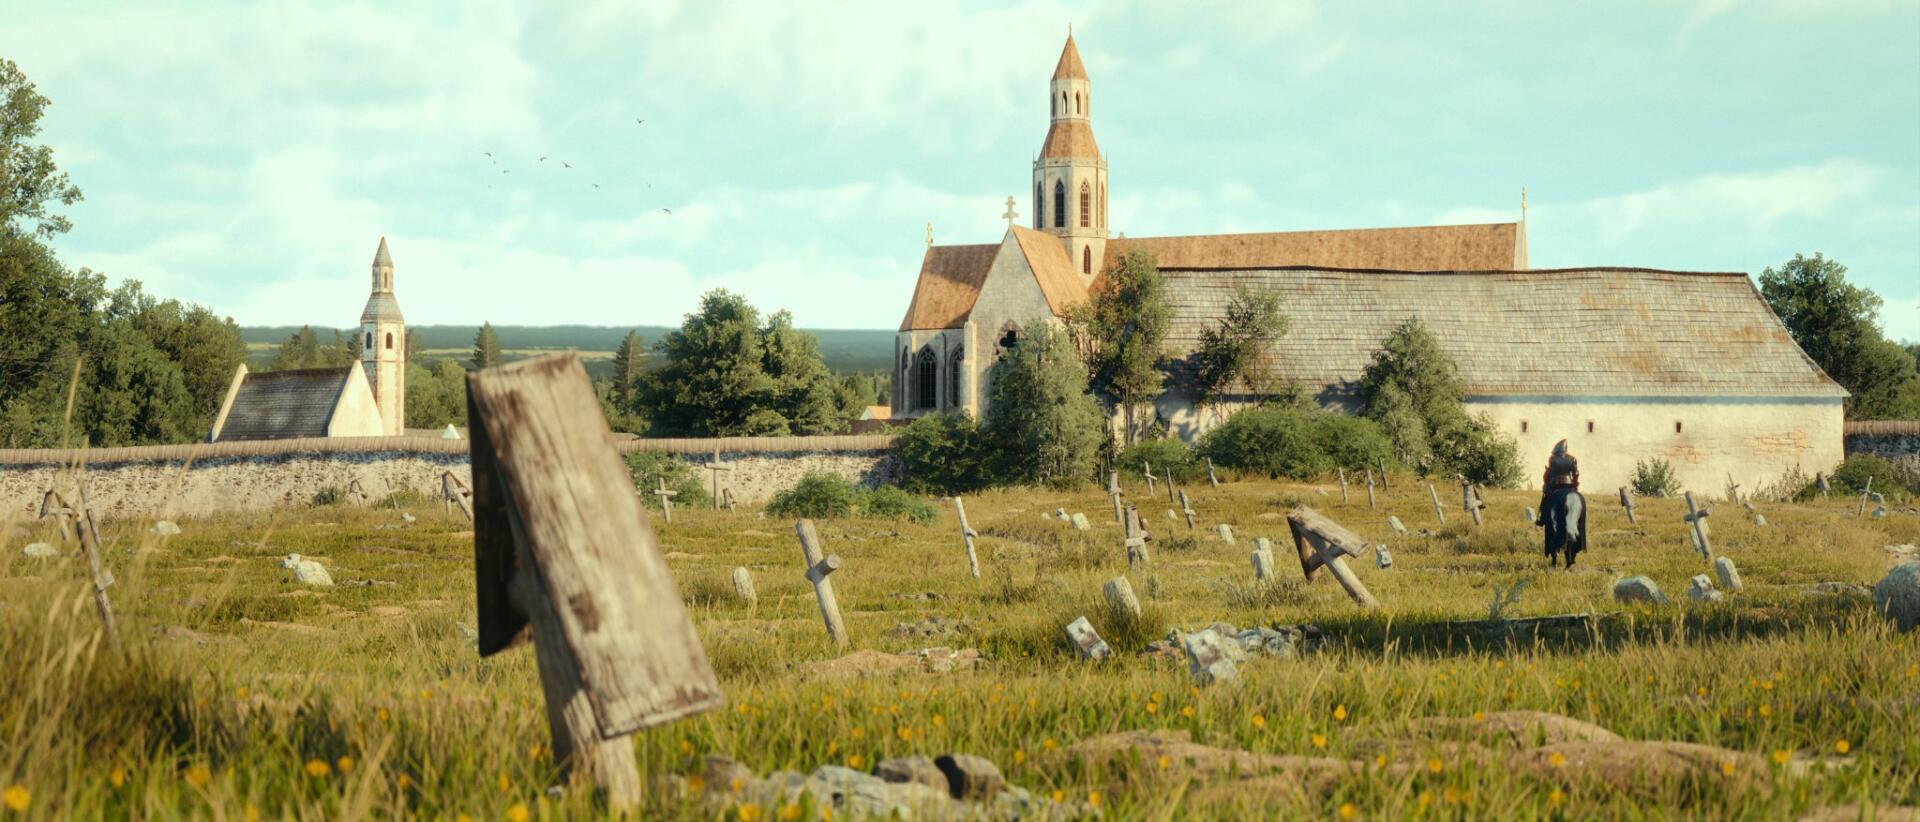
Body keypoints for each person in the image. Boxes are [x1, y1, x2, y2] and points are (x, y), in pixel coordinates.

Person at [1537, 439, 1587, 567]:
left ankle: (1541, 518)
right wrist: (1575, 486)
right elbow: (1576, 474)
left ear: (1556, 450)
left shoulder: (1552, 459)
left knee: (1546, 501)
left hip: (1556, 487)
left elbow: (1550, 475)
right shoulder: (1572, 459)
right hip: (1570, 487)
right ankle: (1570, 560)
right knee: (1578, 509)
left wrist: (1547, 487)